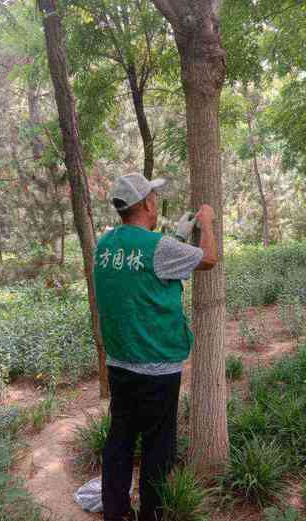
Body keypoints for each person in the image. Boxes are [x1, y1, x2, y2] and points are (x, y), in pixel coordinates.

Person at [93, 172, 218, 521]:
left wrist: (178, 234)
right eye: (153, 197)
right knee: (157, 447)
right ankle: (152, 514)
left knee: (120, 440)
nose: (155, 203)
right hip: (158, 369)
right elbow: (208, 258)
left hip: (120, 365)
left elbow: (144, 274)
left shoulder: (104, 246)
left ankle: (116, 513)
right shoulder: (157, 248)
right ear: (147, 203)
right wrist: (205, 223)